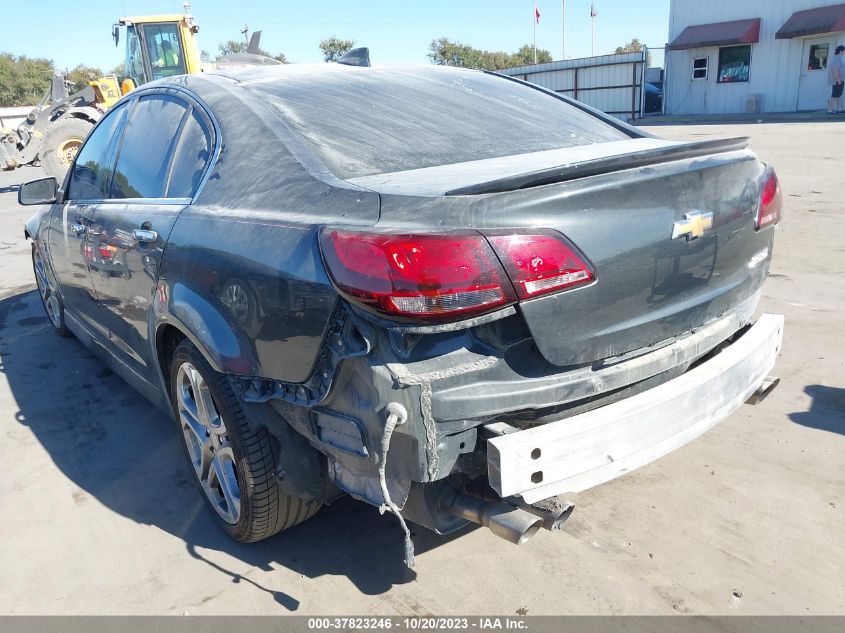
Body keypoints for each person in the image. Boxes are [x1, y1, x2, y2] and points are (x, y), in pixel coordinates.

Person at [827, 45, 845, 114]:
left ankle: (839, 109)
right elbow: (835, 70)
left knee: (838, 95)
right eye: (844, 51)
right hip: (838, 80)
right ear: (840, 51)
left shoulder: (839, 58)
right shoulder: (836, 58)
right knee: (834, 95)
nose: (844, 52)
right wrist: (838, 80)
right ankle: (829, 110)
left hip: (840, 79)